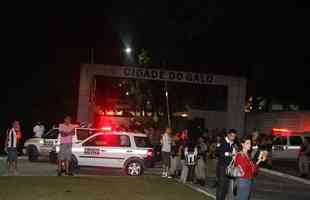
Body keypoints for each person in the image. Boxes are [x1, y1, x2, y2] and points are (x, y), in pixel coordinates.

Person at [216, 129, 237, 200]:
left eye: (234, 136)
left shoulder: (233, 144)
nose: (233, 138)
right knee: (221, 186)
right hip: (222, 166)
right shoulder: (222, 141)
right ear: (228, 135)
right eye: (231, 136)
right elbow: (218, 152)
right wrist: (230, 154)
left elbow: (234, 155)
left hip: (229, 167)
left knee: (226, 186)